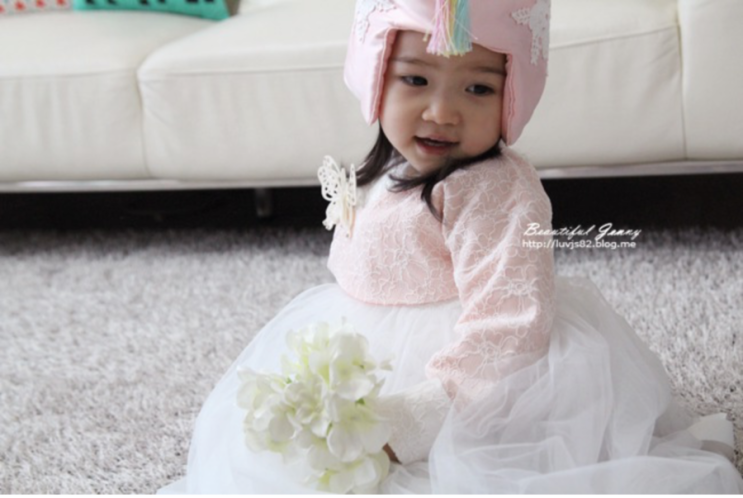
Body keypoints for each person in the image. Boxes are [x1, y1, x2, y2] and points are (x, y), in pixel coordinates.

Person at [159, 0, 743, 493]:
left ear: (513, 98)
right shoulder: (390, 169)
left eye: (478, 88)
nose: (442, 112)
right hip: (371, 348)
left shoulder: (491, 191)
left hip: (480, 366)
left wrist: (418, 415)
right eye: (415, 80)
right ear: (374, 77)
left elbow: (509, 323)